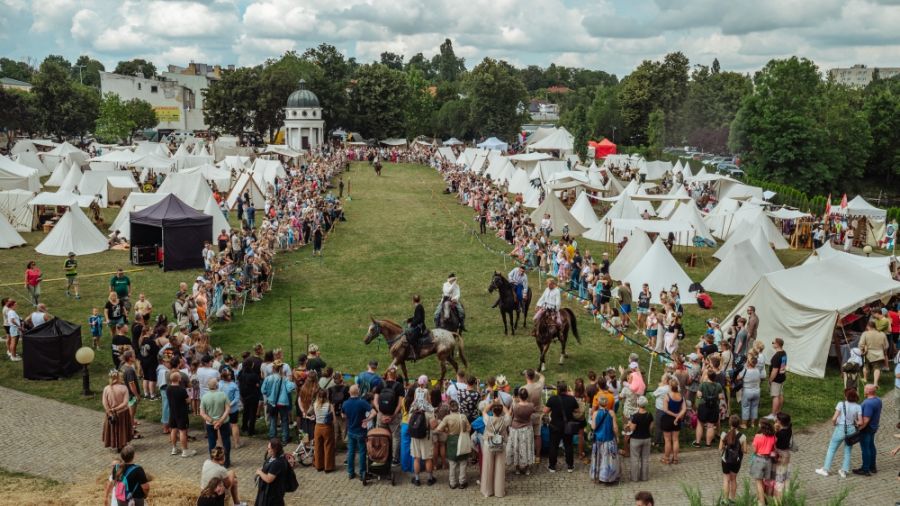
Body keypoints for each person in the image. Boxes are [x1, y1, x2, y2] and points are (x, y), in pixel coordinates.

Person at [817, 387, 862, 478]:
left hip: (840, 428)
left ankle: (825, 469)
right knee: (848, 451)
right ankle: (844, 471)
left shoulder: (841, 404)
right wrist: (855, 422)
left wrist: (835, 424)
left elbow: (834, 418)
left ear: (846, 396)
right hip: (851, 430)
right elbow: (860, 422)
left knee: (832, 449)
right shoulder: (858, 407)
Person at [435, 400, 471, 489]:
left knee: (452, 463)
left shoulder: (447, 418)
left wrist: (446, 431)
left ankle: (452, 483)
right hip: (462, 439)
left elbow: (438, 429)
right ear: (458, 408)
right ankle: (462, 482)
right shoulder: (463, 416)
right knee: (463, 462)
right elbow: (469, 428)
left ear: (450, 408)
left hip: (451, 440)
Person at [545, 381, 578, 473]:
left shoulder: (552, 399)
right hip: (568, 426)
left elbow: (545, 411)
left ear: (557, 389)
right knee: (568, 445)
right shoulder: (571, 399)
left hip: (555, 426)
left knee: (553, 446)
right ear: (566, 389)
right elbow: (576, 410)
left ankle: (552, 466)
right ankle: (570, 466)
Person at [343, 384, 374, 481]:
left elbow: (343, 415)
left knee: (351, 452)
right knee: (362, 452)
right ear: (358, 392)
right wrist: (367, 419)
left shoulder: (345, 403)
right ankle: (362, 473)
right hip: (361, 431)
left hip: (351, 431)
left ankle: (350, 472)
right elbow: (374, 412)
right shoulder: (362, 402)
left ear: (349, 392)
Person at [408, 385, 437, 486]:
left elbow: (409, 422)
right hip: (426, 436)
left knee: (416, 458)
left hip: (415, 437)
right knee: (428, 458)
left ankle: (417, 479)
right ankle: (429, 478)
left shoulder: (413, 408)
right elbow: (433, 426)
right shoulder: (429, 409)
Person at [480, 400, 511, 497]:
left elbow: (484, 411)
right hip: (501, 444)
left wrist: (492, 403)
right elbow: (508, 412)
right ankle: (499, 492)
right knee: (500, 468)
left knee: (487, 467)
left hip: (489, 444)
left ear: (492, 410)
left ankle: (487, 491)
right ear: (501, 411)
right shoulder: (505, 420)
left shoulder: (487, 419)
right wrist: (501, 403)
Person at [261, 359, 296, 444]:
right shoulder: (284, 379)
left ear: (273, 368)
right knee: (284, 420)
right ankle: (285, 438)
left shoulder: (268, 378)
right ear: (281, 368)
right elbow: (291, 388)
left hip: (271, 402)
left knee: (273, 420)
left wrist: (270, 394)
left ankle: (272, 438)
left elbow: (263, 390)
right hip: (282, 403)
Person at [375, 367, 405, 464]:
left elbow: (375, 401)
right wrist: (392, 415)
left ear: (387, 374)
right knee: (395, 437)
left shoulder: (380, 384)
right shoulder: (399, 386)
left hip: (381, 415)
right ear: (396, 375)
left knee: (381, 435)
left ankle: (381, 455)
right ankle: (394, 459)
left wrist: (381, 413)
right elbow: (400, 404)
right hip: (394, 416)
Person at [200, 378, 232, 467]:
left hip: (210, 423)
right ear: (217, 385)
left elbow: (202, 413)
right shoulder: (223, 395)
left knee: (211, 442)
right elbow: (228, 409)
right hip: (224, 422)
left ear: (208, 386)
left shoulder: (204, 397)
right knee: (226, 441)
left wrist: (213, 421)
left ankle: (213, 461)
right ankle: (226, 461)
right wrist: (220, 420)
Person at [589, 395, 620, 485]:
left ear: (599, 403)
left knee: (599, 458)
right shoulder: (611, 413)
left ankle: (598, 476)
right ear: (607, 403)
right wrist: (617, 436)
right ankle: (608, 477)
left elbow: (593, 427)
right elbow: (615, 427)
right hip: (609, 439)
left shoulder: (595, 413)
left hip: (598, 440)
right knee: (608, 460)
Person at [853, 384, 882, 476]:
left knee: (865, 448)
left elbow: (866, 420)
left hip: (867, 428)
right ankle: (872, 467)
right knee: (871, 446)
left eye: (865, 389)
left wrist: (859, 428)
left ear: (868, 391)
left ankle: (865, 469)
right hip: (874, 427)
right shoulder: (878, 400)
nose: (864, 390)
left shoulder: (868, 403)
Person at [167, 371, 196, 457]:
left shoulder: (168, 389)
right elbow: (188, 400)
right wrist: (190, 397)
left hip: (172, 412)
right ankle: (185, 451)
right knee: (182, 431)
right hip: (181, 413)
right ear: (179, 379)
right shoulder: (182, 390)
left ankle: (174, 448)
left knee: (173, 430)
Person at [719, 415, 748, 503]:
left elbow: (720, 448)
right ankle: (732, 499)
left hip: (725, 460)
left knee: (726, 479)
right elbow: (745, 451)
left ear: (729, 423)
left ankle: (725, 500)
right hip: (736, 461)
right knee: (733, 479)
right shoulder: (742, 436)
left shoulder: (724, 434)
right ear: (739, 424)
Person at [102, 370, 134, 451]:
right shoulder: (124, 388)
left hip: (110, 413)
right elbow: (125, 402)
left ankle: (114, 443)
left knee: (113, 428)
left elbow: (104, 402)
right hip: (122, 413)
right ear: (118, 378)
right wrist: (115, 409)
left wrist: (109, 411)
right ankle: (122, 444)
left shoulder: (106, 388)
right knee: (122, 429)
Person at [507, 387, 535, 475]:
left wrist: (513, 402)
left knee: (516, 448)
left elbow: (509, 414)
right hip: (527, 428)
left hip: (515, 429)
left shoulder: (515, 406)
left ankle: (517, 469)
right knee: (527, 447)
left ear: (519, 396)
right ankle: (527, 468)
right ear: (527, 396)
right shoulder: (531, 406)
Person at [694, 370, 724, 448]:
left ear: (707, 376)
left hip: (703, 406)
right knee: (711, 425)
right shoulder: (718, 385)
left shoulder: (702, 384)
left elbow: (699, 395)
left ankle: (697, 443)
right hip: (714, 406)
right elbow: (721, 397)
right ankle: (708, 444)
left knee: (700, 424)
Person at [750, 418, 776, 506]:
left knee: (759, 482)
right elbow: (773, 449)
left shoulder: (757, 436)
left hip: (759, 460)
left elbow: (754, 450)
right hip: (768, 460)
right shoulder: (773, 437)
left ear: (761, 426)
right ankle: (764, 499)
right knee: (766, 481)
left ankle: (762, 502)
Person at [254, 439, 289, 506]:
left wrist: (259, 472)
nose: (268, 450)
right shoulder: (273, 457)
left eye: (269, 448)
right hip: (268, 492)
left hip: (272, 495)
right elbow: (268, 466)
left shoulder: (277, 463)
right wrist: (263, 469)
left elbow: (269, 479)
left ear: (275, 450)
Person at [626, 396, 653, 482]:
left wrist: (629, 424)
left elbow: (632, 429)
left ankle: (634, 478)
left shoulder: (635, 416)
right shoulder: (649, 415)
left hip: (636, 439)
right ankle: (644, 477)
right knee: (645, 459)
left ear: (638, 404)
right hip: (647, 438)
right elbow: (651, 427)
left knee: (635, 459)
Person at [660, 378, 685, 465]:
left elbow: (665, 409)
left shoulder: (667, 396)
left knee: (667, 440)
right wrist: (678, 416)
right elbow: (684, 409)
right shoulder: (681, 396)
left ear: (670, 386)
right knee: (675, 440)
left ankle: (666, 458)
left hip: (667, 419)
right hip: (677, 420)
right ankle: (675, 458)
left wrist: (675, 415)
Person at [522, 369, 545, 464]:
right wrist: (537, 373)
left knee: (526, 436)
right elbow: (542, 377)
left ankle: (527, 455)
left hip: (527, 414)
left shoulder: (523, 389)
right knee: (537, 435)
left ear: (526, 376)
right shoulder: (539, 385)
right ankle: (538, 456)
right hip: (538, 413)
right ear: (534, 376)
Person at [238, 352, 262, 437]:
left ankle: (244, 427)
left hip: (244, 395)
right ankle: (251, 430)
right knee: (252, 413)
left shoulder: (241, 373)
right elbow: (257, 384)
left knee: (246, 411)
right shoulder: (253, 375)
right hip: (253, 396)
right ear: (251, 365)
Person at [313, 389, 336, 472]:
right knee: (328, 446)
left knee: (318, 446)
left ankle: (319, 465)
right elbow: (334, 419)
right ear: (327, 396)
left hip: (317, 427)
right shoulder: (329, 405)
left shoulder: (315, 404)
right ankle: (328, 467)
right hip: (327, 427)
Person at [859, 321, 889, 386]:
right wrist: (883, 350)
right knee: (877, 368)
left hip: (868, 353)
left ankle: (865, 379)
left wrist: (862, 350)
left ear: (868, 326)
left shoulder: (865, 333)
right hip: (879, 354)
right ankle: (875, 383)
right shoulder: (882, 334)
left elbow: (861, 344)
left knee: (866, 366)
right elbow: (886, 345)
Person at [218, 369, 242, 450]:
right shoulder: (234, 385)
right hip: (232, 409)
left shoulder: (219, 385)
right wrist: (230, 405)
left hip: (221, 409)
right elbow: (237, 398)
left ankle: (220, 444)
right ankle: (236, 443)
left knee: (220, 426)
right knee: (234, 425)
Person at [738, 354, 763, 429]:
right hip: (757, 391)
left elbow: (738, 377)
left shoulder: (745, 370)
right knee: (754, 407)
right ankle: (752, 423)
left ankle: (744, 424)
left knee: (745, 407)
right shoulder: (758, 370)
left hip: (747, 391)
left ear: (748, 363)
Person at [772, 412, 792, 500]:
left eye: (776, 419)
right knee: (785, 475)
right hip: (787, 454)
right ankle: (786, 493)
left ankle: (778, 498)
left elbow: (773, 441)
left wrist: (775, 430)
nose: (775, 420)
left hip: (780, 455)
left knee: (779, 477)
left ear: (779, 421)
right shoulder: (789, 428)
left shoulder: (780, 433)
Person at [768, 338, 788, 416]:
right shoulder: (784, 353)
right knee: (780, 394)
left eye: (773, 342)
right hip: (782, 377)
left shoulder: (777, 356)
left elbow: (775, 370)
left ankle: (773, 415)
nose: (772, 343)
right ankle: (778, 411)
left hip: (776, 379)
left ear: (777, 344)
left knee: (775, 396)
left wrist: (770, 380)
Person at [406, 295, 427, 359]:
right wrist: (408, 320)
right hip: (418, 326)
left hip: (420, 327)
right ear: (419, 300)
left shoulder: (419, 307)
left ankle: (416, 353)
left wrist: (411, 324)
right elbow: (416, 317)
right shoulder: (419, 306)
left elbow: (419, 319)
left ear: (413, 301)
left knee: (411, 339)